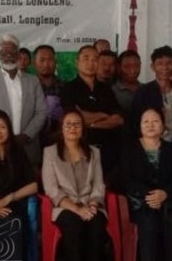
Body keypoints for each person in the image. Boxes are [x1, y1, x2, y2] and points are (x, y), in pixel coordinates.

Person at [41, 110, 109, 261]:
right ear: (61, 128)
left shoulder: (94, 152)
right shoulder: (50, 153)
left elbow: (98, 184)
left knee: (97, 225)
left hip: (90, 204)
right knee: (73, 226)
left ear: (83, 129)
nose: (73, 128)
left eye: (77, 124)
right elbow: (51, 189)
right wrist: (77, 209)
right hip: (65, 206)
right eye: (69, 124)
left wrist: (92, 205)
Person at [120, 108, 172, 261]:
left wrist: (165, 194)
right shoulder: (129, 149)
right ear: (140, 126)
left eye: (155, 121)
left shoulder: (171, 150)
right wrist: (150, 196)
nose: (150, 125)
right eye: (146, 121)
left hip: (166, 202)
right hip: (140, 202)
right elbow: (126, 179)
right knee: (148, 220)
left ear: (163, 126)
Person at [0, 34, 47, 168]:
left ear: (19, 53)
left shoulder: (33, 81)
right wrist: (4, 136)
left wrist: (26, 135)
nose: (8, 55)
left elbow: (41, 111)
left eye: (12, 51)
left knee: (29, 186)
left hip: (28, 146)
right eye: (3, 52)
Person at [60, 46, 124, 179]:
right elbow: (75, 119)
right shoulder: (68, 88)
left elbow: (118, 119)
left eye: (95, 59)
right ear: (77, 62)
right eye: (86, 59)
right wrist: (103, 114)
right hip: (80, 149)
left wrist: (90, 123)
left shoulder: (106, 89)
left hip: (108, 150)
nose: (90, 63)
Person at [130, 46, 172, 160]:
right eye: (160, 63)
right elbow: (135, 123)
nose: (165, 67)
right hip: (150, 148)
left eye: (169, 63)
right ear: (152, 66)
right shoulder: (143, 92)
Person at [34, 45, 64, 146]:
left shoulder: (65, 86)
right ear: (34, 63)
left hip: (59, 138)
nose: (46, 64)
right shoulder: (27, 86)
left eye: (50, 60)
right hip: (32, 139)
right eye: (42, 60)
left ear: (56, 63)